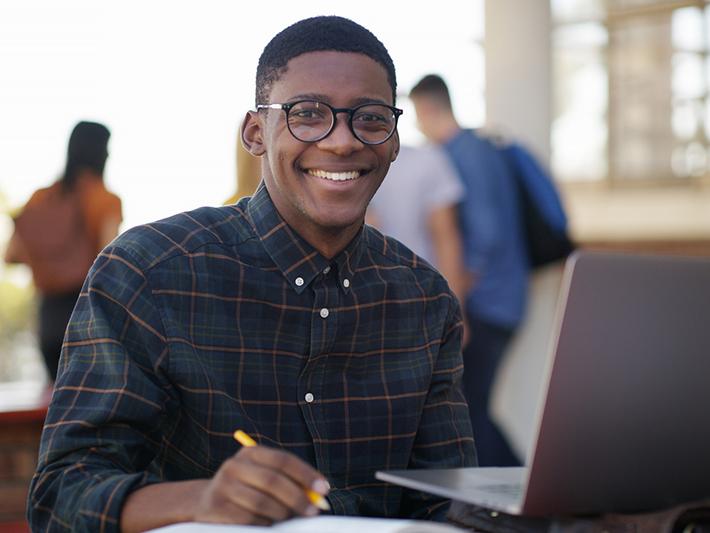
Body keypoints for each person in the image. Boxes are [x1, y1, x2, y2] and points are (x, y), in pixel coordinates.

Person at [28, 17, 475, 532]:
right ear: (256, 133)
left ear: (394, 141)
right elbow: (60, 497)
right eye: (308, 114)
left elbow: (448, 504)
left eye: (371, 119)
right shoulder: (149, 272)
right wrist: (201, 502)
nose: (342, 141)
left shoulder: (423, 298)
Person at [410, 74, 527, 467]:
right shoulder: (477, 148)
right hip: (502, 301)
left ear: (426, 108)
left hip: (488, 305)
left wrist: (458, 289)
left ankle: (527, 498)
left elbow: (487, 233)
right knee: (473, 407)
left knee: (468, 411)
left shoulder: (465, 152)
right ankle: (528, 492)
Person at [4, 121, 122, 382]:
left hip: (47, 317)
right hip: (87, 312)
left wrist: (50, 261)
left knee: (55, 402)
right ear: (100, 152)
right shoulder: (104, 199)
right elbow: (108, 262)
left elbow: (10, 256)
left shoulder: (41, 197)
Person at [367, 144, 471, 311]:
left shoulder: (428, 160)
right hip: (399, 295)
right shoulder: (429, 160)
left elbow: (445, 238)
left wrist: (455, 312)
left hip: (417, 296)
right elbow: (446, 238)